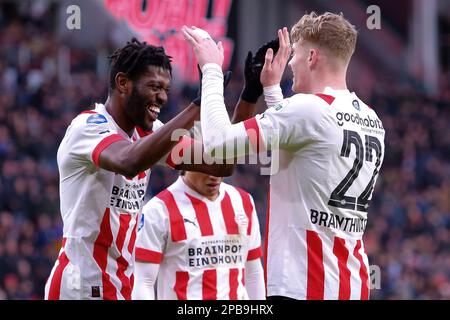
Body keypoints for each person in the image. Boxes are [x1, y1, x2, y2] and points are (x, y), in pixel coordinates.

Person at [182, 12, 385, 300]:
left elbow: (217, 143)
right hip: (351, 284)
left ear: (312, 57)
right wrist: (270, 88)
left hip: (304, 284)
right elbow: (297, 154)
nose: (290, 63)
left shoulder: (309, 110)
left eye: (296, 55)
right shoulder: (371, 118)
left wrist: (212, 70)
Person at [44, 37, 263, 300]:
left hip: (121, 286)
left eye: (166, 89)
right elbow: (129, 162)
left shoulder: (150, 134)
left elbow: (221, 164)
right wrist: (197, 104)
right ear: (123, 83)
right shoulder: (88, 128)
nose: (162, 96)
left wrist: (249, 96)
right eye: (154, 87)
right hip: (80, 287)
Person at [132, 170, 265, 300]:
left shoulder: (243, 201)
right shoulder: (158, 209)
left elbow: (253, 272)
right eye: (206, 166)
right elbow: (144, 281)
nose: (214, 174)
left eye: (222, 164)